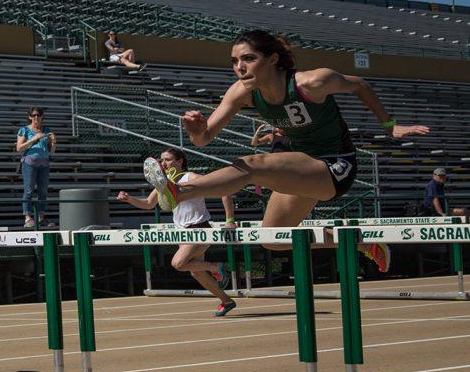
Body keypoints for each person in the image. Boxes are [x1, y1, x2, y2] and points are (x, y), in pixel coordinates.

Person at [148, 30, 430, 273]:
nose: (239, 67)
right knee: (273, 237)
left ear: (272, 59)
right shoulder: (241, 91)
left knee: (253, 164)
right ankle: (362, 243)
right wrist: (195, 128)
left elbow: (360, 84)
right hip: (300, 165)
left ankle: (180, 192)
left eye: (248, 59)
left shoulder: (311, 82)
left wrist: (390, 125)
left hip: (335, 165)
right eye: (234, 61)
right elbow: (203, 139)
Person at [118, 147, 238, 316]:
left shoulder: (193, 178)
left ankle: (215, 266)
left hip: (198, 228)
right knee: (196, 272)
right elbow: (148, 204)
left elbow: (224, 191)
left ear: (180, 161)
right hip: (182, 232)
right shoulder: (164, 182)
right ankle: (227, 301)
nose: (163, 163)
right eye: (161, 160)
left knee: (178, 263)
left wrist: (230, 220)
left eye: (167, 159)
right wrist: (129, 199)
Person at [16, 106, 56, 228]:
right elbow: (19, 148)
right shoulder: (24, 130)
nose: (36, 117)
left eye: (38, 115)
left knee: (43, 191)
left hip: (44, 163)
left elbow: (52, 152)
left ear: (42, 117)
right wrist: (33, 139)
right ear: (30, 117)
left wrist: (54, 142)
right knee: (28, 190)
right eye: (34, 115)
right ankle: (27, 217)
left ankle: (41, 217)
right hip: (29, 163)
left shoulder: (47, 130)